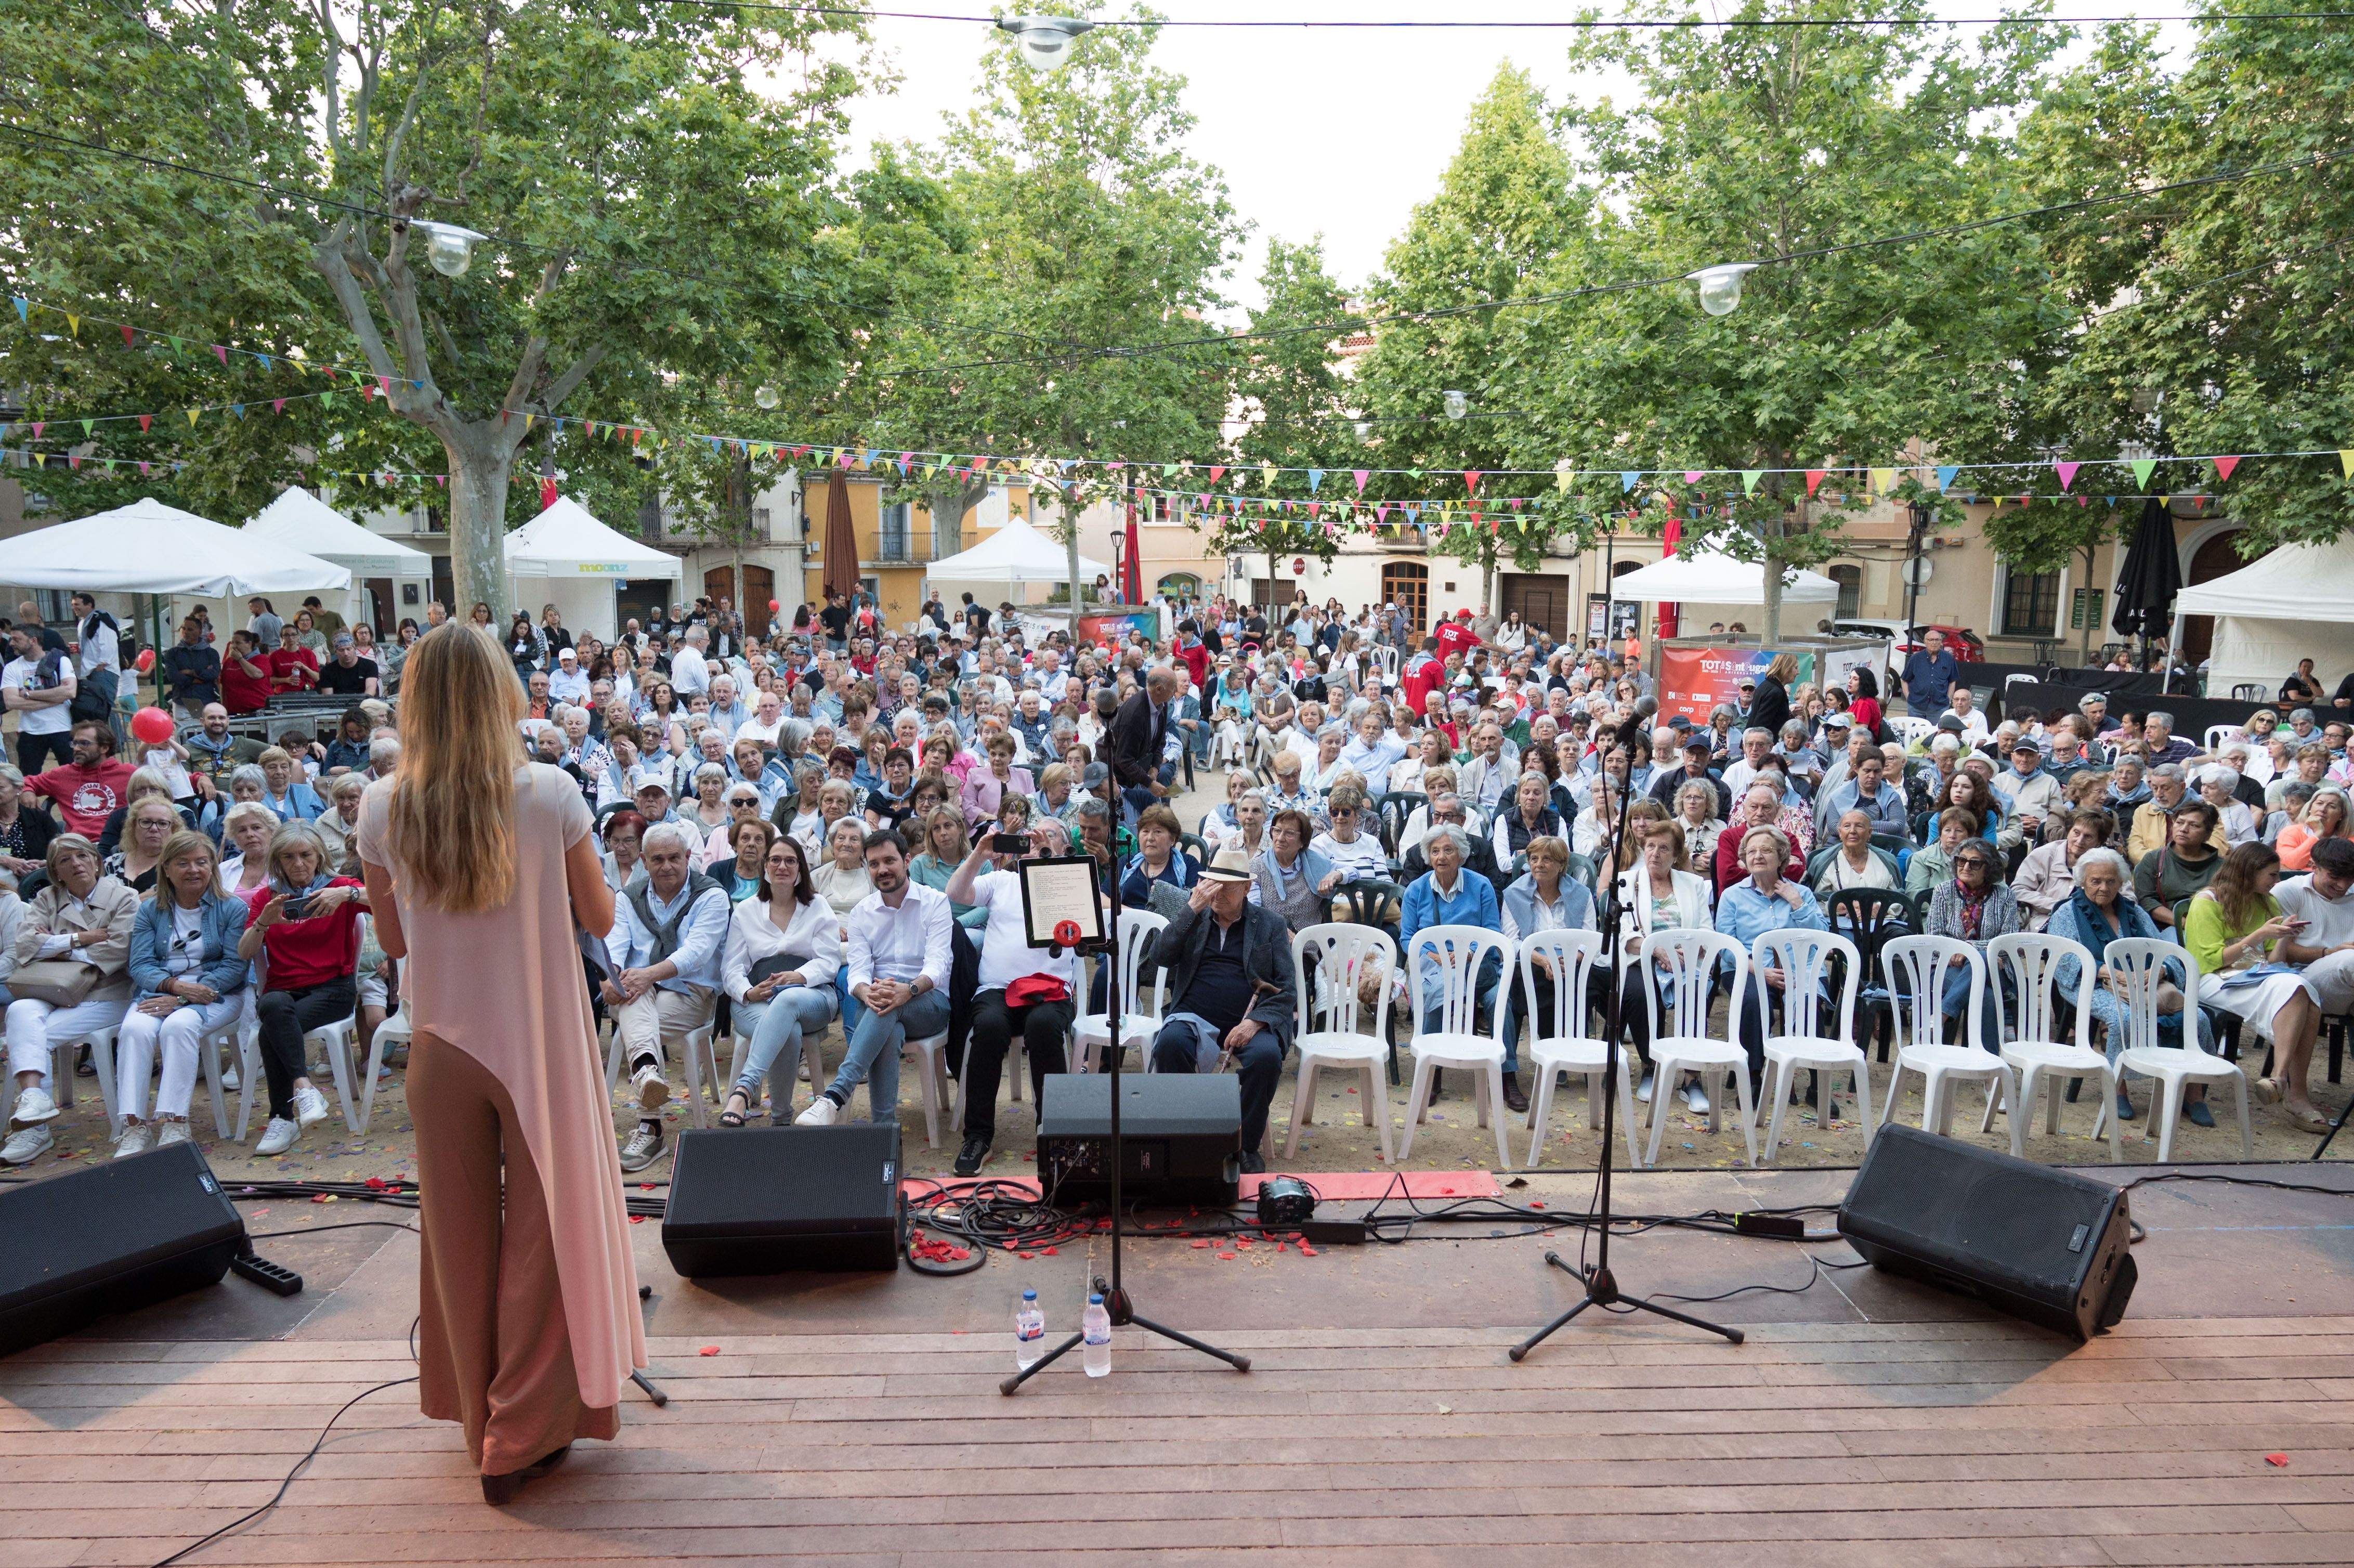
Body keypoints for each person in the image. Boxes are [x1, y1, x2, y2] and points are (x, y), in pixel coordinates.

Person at [350, 622, 637, 1501]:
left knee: (458, 1244)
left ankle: (482, 1418)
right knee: (544, 1245)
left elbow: (393, 939)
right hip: (537, 1044)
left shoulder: (379, 803)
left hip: (438, 1046)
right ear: (502, 692)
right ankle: (520, 1430)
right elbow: (598, 917)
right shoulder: (549, 792)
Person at [1145, 845, 1299, 1173]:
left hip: (1248, 1019)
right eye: (1211, 883)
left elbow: (1286, 989)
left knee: (1266, 1058)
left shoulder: (1270, 924)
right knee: (1171, 1044)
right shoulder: (1195, 918)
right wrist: (1189, 910)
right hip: (1192, 1014)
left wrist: (1256, 1023)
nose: (1216, 893)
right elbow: (1159, 957)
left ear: (1246, 888)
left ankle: (1245, 1144)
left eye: (1226, 886)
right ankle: (1187, 1136)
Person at [944, 819, 1082, 1174]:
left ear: (1065, 850)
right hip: (997, 989)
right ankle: (978, 1135)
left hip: (1050, 991)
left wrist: (1050, 864)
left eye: (1048, 836)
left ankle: (1054, 1130)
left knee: (1044, 1027)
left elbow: (1099, 916)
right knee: (988, 1027)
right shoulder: (1001, 881)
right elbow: (955, 894)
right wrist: (979, 854)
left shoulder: (1070, 884)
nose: (1036, 840)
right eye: (1031, 838)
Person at [796, 831, 951, 1128]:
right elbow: (857, 970)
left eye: (890, 861)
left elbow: (938, 965)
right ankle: (885, 1132)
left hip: (929, 1002)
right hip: (880, 1002)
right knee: (887, 1019)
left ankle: (834, 1097)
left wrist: (909, 989)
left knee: (889, 1006)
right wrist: (866, 992)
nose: (882, 870)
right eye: (875, 864)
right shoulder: (862, 912)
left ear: (907, 861)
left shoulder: (935, 903)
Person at [600, 821, 730, 1173]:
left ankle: (650, 1119)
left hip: (692, 993)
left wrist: (645, 976)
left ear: (689, 856)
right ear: (644, 860)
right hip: (639, 991)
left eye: (675, 858)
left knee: (634, 1003)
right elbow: (614, 944)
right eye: (658, 859)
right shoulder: (628, 898)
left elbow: (697, 953)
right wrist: (610, 978)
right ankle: (648, 1079)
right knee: (632, 995)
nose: (667, 866)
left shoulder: (711, 895)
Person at [109, 831, 249, 1158]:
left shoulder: (232, 908)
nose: (194, 870)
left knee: (178, 1026)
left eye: (202, 862)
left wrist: (186, 998)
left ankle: (175, 1121)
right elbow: (140, 964)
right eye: (183, 863)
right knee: (133, 1029)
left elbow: (234, 968)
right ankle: (134, 1126)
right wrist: (174, 987)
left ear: (213, 866)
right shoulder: (150, 910)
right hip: (160, 990)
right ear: (167, 869)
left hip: (217, 994)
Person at [0, 835, 137, 1167]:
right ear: (56, 871)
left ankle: (36, 1125)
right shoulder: (48, 897)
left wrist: (56, 945)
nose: (75, 864)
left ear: (95, 861)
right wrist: (81, 939)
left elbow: (118, 950)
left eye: (81, 856)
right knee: (19, 1009)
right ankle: (35, 1099)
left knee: (32, 1037)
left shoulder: (124, 897)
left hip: (106, 993)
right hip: (51, 989)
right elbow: (25, 947)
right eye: (65, 860)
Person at [236, 820, 367, 1155]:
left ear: (319, 855)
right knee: (274, 1007)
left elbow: (388, 900)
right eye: (289, 857)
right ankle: (304, 1087)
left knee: (271, 1028)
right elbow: (245, 953)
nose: (298, 864)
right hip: (284, 991)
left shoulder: (337, 887)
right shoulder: (268, 898)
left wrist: (346, 894)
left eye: (306, 855)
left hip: (333, 988)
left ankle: (283, 1117)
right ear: (277, 861)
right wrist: (264, 922)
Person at [2183, 841, 2325, 1134]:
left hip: (2256, 975)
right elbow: (2210, 961)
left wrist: (2286, 935)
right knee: (2297, 987)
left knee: (2303, 990)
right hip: (2214, 980)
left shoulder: (2266, 901)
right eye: (2272, 875)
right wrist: (2258, 935)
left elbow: (2275, 961)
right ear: (2249, 872)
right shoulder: (2207, 902)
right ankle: (2290, 1089)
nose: (2277, 882)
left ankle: (2279, 1080)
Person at [717, 836, 840, 1126]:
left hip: (812, 995)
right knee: (789, 1030)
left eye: (790, 861)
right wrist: (748, 992)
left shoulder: (818, 906)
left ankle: (743, 1089)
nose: (782, 866)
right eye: (775, 860)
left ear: (800, 869)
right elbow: (731, 969)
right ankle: (782, 1120)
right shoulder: (746, 910)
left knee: (787, 1001)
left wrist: (799, 976)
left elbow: (830, 962)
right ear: (765, 867)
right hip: (756, 999)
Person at [1713, 825, 1832, 1103]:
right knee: (1753, 1001)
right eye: (1751, 851)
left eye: (1765, 850)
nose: (1757, 856)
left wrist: (1797, 904)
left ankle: (1816, 1085)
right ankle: (1753, 1077)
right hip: (1750, 968)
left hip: (1800, 967)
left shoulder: (1800, 893)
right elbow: (1727, 946)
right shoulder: (1732, 895)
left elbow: (1821, 936)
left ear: (1781, 857)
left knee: (1808, 1001)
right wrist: (1758, 970)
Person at [1496, 834, 1598, 1113]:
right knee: (1517, 985)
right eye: (1534, 859)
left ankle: (1574, 1054)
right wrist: (1544, 961)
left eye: (1547, 859)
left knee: (1595, 983)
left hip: (1571, 961)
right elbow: (1512, 941)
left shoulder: (1581, 894)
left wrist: (1569, 960)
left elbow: (1590, 937)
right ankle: (1512, 1074)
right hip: (1533, 961)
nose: (1539, 865)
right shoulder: (1515, 894)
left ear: (1562, 865)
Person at [1921, 839, 2023, 1043]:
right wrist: (1979, 954)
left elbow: (2007, 943)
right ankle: (1988, 1063)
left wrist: (1968, 950)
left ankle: (1943, 1014)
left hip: (1998, 970)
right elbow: (1934, 938)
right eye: (1961, 860)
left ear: (1989, 868)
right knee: (1986, 996)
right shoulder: (1943, 891)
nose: (1966, 867)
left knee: (1984, 959)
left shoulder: (2005, 896)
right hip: (1948, 966)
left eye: (1975, 863)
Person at [26, 720, 136, 839]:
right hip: (77, 845)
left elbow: (156, 791)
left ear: (104, 748)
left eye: (84, 743)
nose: (77, 749)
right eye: (75, 743)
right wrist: (27, 790)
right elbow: (24, 781)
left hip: (119, 843)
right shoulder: (63, 775)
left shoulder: (129, 773)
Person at [2134, 799, 2225, 930]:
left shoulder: (2222, 867)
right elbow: (2147, 900)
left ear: (2207, 834)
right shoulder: (2154, 859)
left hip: (2212, 926)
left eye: (2194, 825)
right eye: (2179, 822)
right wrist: (2185, 924)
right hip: (2168, 927)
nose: (2183, 829)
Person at [161, 617, 221, 720]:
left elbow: (214, 674)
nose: (185, 632)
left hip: (206, 700)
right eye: (183, 629)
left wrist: (190, 672)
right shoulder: (172, 653)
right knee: (184, 733)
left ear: (200, 631)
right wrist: (197, 679)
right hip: (182, 702)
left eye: (190, 629)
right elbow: (173, 676)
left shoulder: (211, 653)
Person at [1901, 629, 1960, 715]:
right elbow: (1904, 679)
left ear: (1941, 642)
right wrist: (1908, 698)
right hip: (1916, 707)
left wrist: (1949, 699)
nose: (1934, 642)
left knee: (1936, 730)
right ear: (1925, 642)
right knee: (1916, 730)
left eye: (1937, 640)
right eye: (1931, 640)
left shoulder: (1948, 659)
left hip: (1939, 708)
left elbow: (1952, 681)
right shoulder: (1916, 658)